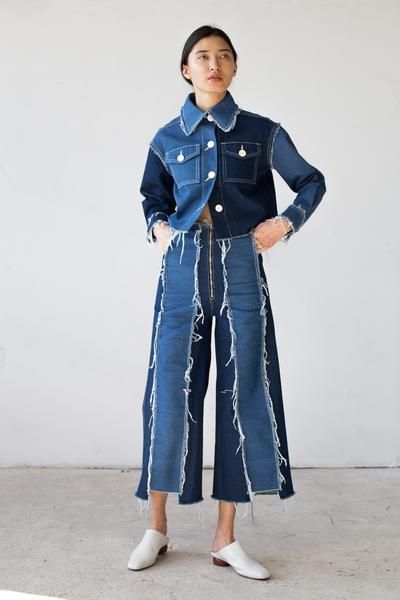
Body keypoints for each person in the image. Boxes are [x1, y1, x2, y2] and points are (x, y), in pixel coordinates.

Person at [128, 25, 326, 579]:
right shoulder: (167, 137)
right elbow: (151, 195)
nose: (213, 64)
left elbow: (311, 182)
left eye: (223, 56)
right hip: (182, 270)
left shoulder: (263, 132)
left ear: (234, 67)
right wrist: (158, 227)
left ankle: (225, 538)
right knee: (169, 391)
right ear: (186, 70)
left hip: (241, 267)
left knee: (244, 392)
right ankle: (156, 527)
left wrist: (285, 223)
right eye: (202, 56)